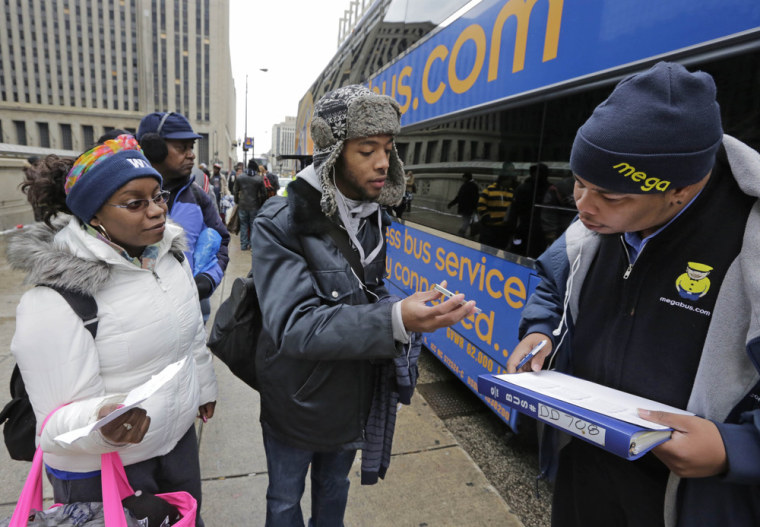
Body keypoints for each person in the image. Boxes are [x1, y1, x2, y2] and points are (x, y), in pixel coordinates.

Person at [506, 62, 760, 526]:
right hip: (583, 476)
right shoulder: (593, 225)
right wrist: (543, 331)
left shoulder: (751, 242)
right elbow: (550, 281)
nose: (582, 206)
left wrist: (736, 449)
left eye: (610, 195)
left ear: (679, 191)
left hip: (685, 501)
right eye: (580, 182)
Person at [250, 84, 477, 526]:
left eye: (389, 149)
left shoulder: (373, 216)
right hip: (296, 400)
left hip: (353, 395)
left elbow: (360, 296)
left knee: (335, 489)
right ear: (333, 154)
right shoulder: (280, 222)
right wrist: (396, 317)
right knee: (283, 500)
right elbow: (295, 326)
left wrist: (407, 308)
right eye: (367, 149)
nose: (383, 162)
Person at [8, 135, 217, 526]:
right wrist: (103, 419)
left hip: (176, 444)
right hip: (105, 468)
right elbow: (53, 426)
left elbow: (189, 339)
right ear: (95, 215)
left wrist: (203, 387)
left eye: (158, 196)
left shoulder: (169, 257)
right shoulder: (56, 299)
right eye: (135, 203)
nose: (156, 211)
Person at [136, 111, 229, 323]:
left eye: (191, 148)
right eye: (182, 147)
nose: (191, 155)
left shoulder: (198, 197)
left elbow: (222, 239)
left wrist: (209, 278)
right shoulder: (122, 199)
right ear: (153, 148)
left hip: (190, 317)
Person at [506, 163, 550, 257]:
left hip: (536, 231)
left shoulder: (548, 189)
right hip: (526, 229)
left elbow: (513, 212)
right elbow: (514, 211)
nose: (537, 175)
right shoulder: (525, 188)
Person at [232, 159, 265, 251]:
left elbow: (235, 191)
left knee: (243, 225)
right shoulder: (259, 179)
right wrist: (261, 204)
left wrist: (237, 201)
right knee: (253, 225)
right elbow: (264, 194)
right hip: (254, 206)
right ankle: (252, 245)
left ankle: (243, 245)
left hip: (242, 205)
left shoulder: (240, 177)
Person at [476, 173, 514, 249]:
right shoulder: (489, 190)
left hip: (503, 229)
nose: (510, 182)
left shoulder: (511, 192)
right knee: (486, 252)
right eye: (509, 180)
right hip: (490, 228)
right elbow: (480, 205)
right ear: (503, 181)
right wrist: (487, 217)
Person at [540, 172, 576, 246]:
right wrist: (551, 233)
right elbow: (549, 211)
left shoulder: (592, 185)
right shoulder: (560, 187)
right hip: (562, 231)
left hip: (577, 231)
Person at [447, 172, 480, 237]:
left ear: (467, 178)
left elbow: (474, 198)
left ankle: (461, 233)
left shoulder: (470, 186)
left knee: (467, 221)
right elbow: (459, 197)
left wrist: (451, 204)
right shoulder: (469, 185)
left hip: (467, 207)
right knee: (468, 220)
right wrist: (451, 204)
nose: (463, 179)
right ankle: (471, 233)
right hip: (466, 207)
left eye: (464, 178)